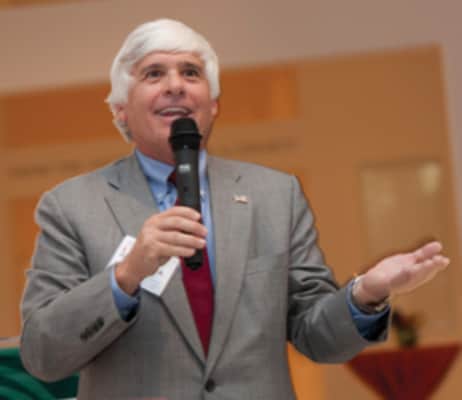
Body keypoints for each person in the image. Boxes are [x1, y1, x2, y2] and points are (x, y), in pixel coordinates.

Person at [20, 19, 449, 400]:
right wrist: (127, 275)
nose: (175, 85)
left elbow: (317, 337)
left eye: (191, 72)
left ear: (213, 105)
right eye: (154, 73)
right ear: (120, 112)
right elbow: (42, 354)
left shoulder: (276, 195)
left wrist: (366, 294)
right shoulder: (71, 206)